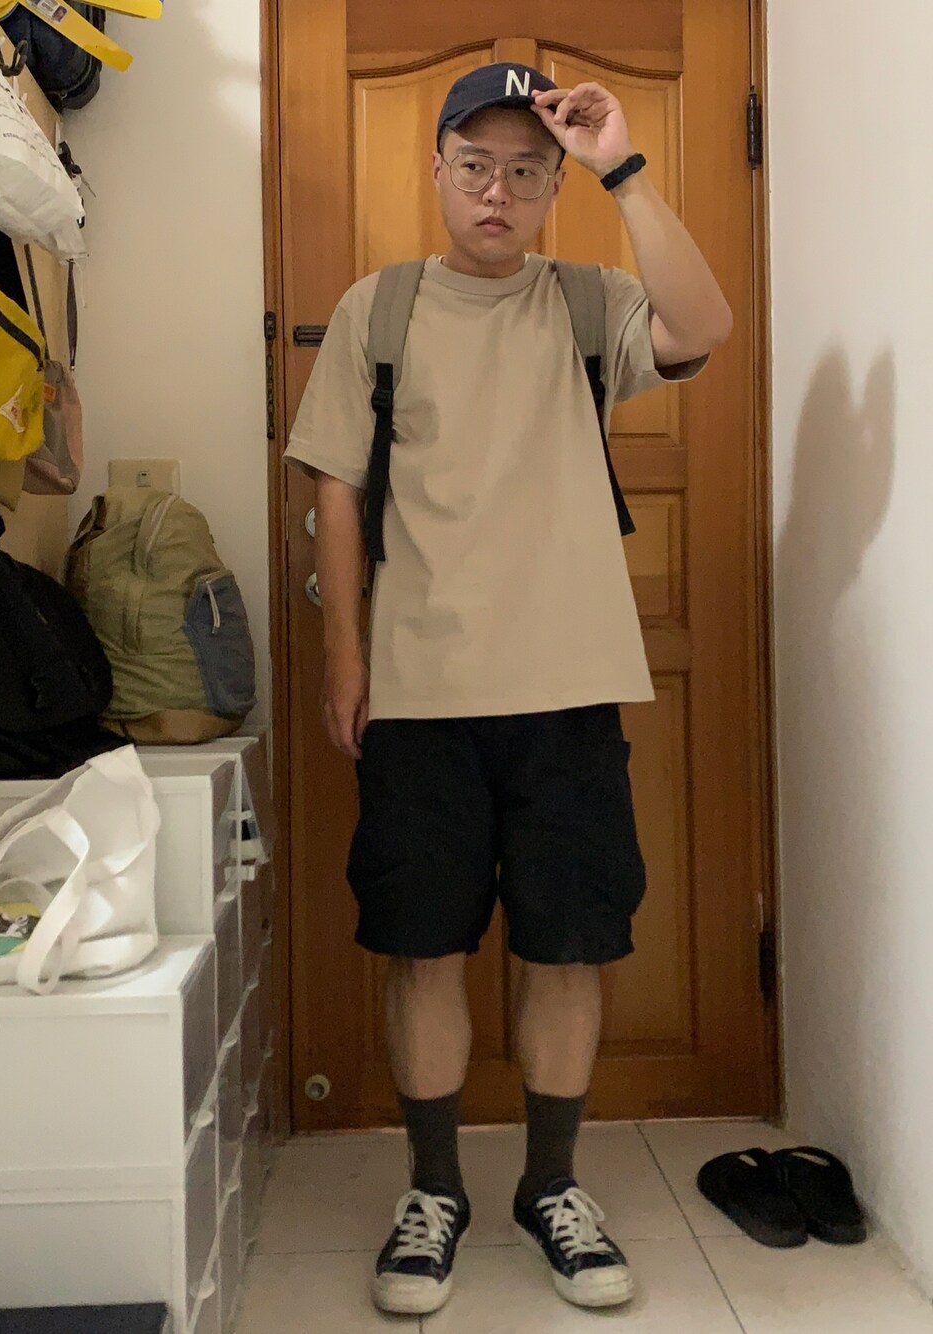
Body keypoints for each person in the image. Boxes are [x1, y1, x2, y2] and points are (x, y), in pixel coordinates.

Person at [284, 62, 732, 1317]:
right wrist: (344, 655)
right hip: (418, 688)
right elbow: (335, 488)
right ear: (436, 170)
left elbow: (703, 325)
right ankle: (433, 1189)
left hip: (569, 685)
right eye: (474, 165)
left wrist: (621, 166)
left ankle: (551, 1184)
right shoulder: (378, 307)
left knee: (568, 944)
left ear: (552, 187)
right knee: (421, 944)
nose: (497, 191)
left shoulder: (587, 302)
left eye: (525, 171)